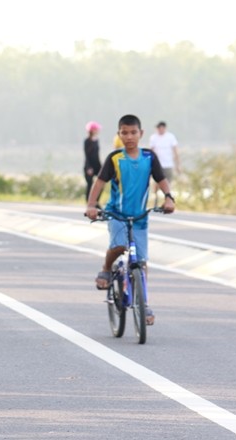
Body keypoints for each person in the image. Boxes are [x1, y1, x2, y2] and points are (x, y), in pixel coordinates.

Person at [85, 114, 175, 325]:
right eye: (124, 133)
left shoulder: (149, 157)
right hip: (117, 214)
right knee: (118, 246)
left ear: (141, 134)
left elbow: (161, 179)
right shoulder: (115, 158)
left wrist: (169, 198)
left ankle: (143, 304)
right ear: (119, 135)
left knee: (141, 263)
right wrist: (91, 205)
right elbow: (99, 183)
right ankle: (106, 269)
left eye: (133, 132)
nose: (129, 136)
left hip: (140, 218)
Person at [83, 121, 102, 201]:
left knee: (101, 183)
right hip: (89, 165)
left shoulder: (96, 140)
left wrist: (102, 166)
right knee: (90, 184)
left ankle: (96, 201)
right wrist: (88, 167)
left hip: (97, 165)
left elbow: (97, 155)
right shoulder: (87, 141)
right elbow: (87, 155)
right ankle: (89, 202)